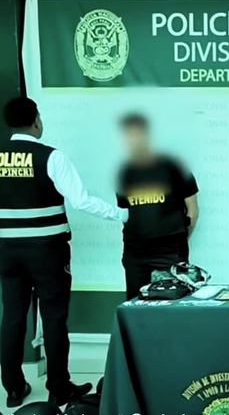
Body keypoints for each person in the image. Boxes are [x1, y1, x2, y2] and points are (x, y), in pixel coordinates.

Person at [0, 97, 128, 407]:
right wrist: (122, 214)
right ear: (36, 120)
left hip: (7, 251)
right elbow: (81, 201)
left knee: (13, 317)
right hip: (47, 251)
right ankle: (58, 387)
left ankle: (13, 389)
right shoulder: (51, 157)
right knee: (54, 317)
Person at [116, 114, 199, 300]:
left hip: (170, 251)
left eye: (138, 134)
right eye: (129, 135)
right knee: (136, 304)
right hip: (135, 253)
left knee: (172, 304)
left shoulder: (177, 168)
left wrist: (179, 240)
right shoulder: (124, 172)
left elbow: (193, 212)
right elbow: (126, 213)